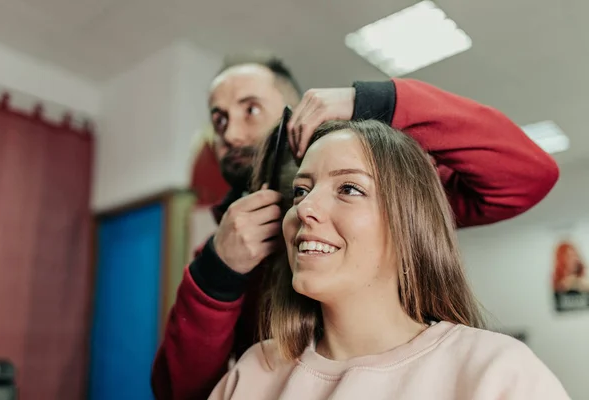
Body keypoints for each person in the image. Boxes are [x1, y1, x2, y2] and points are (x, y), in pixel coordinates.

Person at [151, 53, 560, 400]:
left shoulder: (494, 372)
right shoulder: (224, 269)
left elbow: (528, 175)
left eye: (250, 109)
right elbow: (182, 391)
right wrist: (217, 273)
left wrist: (377, 102)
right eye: (219, 120)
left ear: (296, 114)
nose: (231, 133)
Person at [208, 119, 570, 399]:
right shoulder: (253, 372)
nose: (305, 208)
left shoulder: (496, 372)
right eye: (301, 190)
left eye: (349, 188)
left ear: (408, 223)